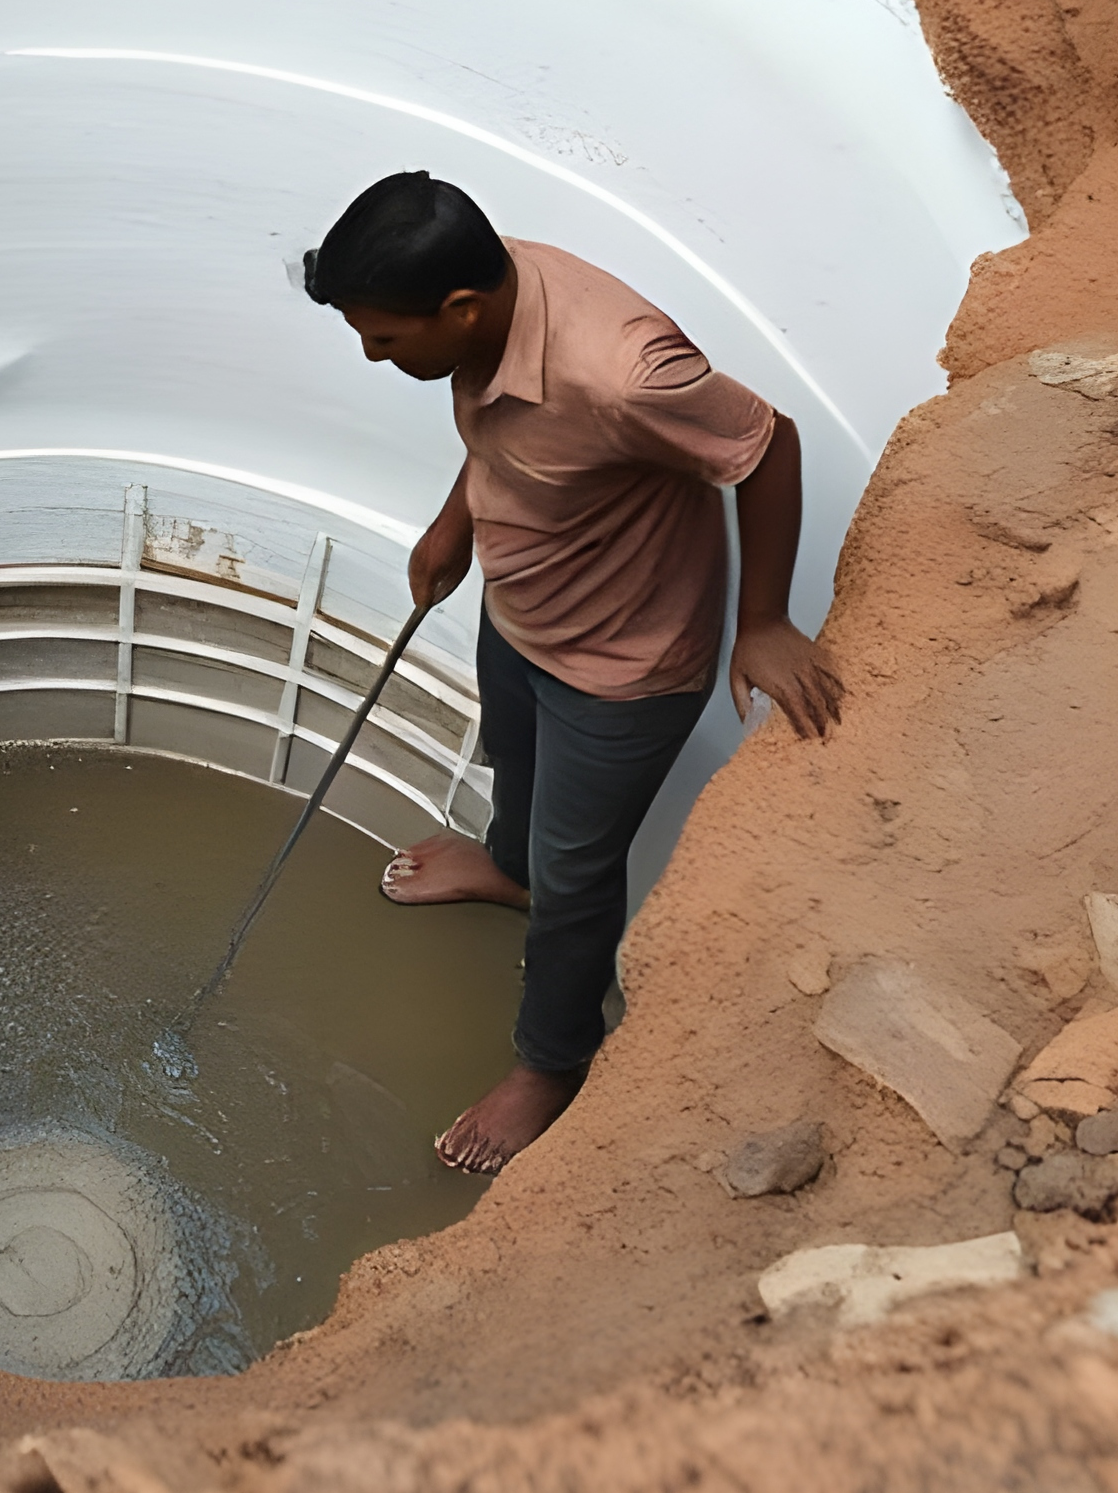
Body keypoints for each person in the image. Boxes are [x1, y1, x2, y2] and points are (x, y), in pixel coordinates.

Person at [304, 171, 841, 1175]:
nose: (373, 355)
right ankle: (505, 868)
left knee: (578, 870)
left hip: (622, 664)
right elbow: (508, 434)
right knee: (513, 756)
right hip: (524, 608)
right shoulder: (484, 297)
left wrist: (761, 619)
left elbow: (768, 448)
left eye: (381, 337)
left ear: (458, 308)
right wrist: (453, 523)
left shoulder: (624, 370)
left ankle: (552, 1060)